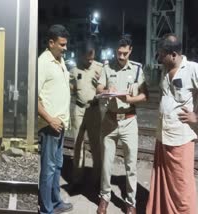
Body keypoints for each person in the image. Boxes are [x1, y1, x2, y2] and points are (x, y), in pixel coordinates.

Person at [96, 35, 148, 214]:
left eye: (125, 53)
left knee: (131, 165)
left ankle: (130, 202)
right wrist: (105, 90)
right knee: (106, 164)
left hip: (129, 121)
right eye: (119, 53)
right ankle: (104, 198)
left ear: (130, 50)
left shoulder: (137, 70)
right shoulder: (107, 67)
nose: (121, 57)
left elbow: (144, 95)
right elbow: (99, 88)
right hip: (109, 121)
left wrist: (130, 98)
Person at [146, 33, 197, 214]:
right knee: (164, 182)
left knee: (181, 187)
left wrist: (196, 117)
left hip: (180, 139)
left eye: (162, 54)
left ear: (173, 54)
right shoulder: (164, 70)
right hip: (163, 136)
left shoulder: (192, 69)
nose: (159, 58)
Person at [38, 24, 73, 214]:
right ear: (51, 43)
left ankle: (55, 201)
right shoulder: (43, 63)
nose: (65, 48)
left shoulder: (60, 60)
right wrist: (50, 119)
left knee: (57, 166)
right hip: (50, 126)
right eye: (62, 44)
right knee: (48, 169)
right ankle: (46, 209)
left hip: (61, 125)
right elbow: (33, 98)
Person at [69, 45, 103, 187]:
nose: (90, 61)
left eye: (92, 58)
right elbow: (71, 88)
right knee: (77, 145)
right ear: (81, 55)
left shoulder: (100, 68)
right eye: (87, 58)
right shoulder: (74, 69)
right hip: (79, 109)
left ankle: (97, 178)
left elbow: (106, 88)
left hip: (94, 110)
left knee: (96, 145)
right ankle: (77, 178)